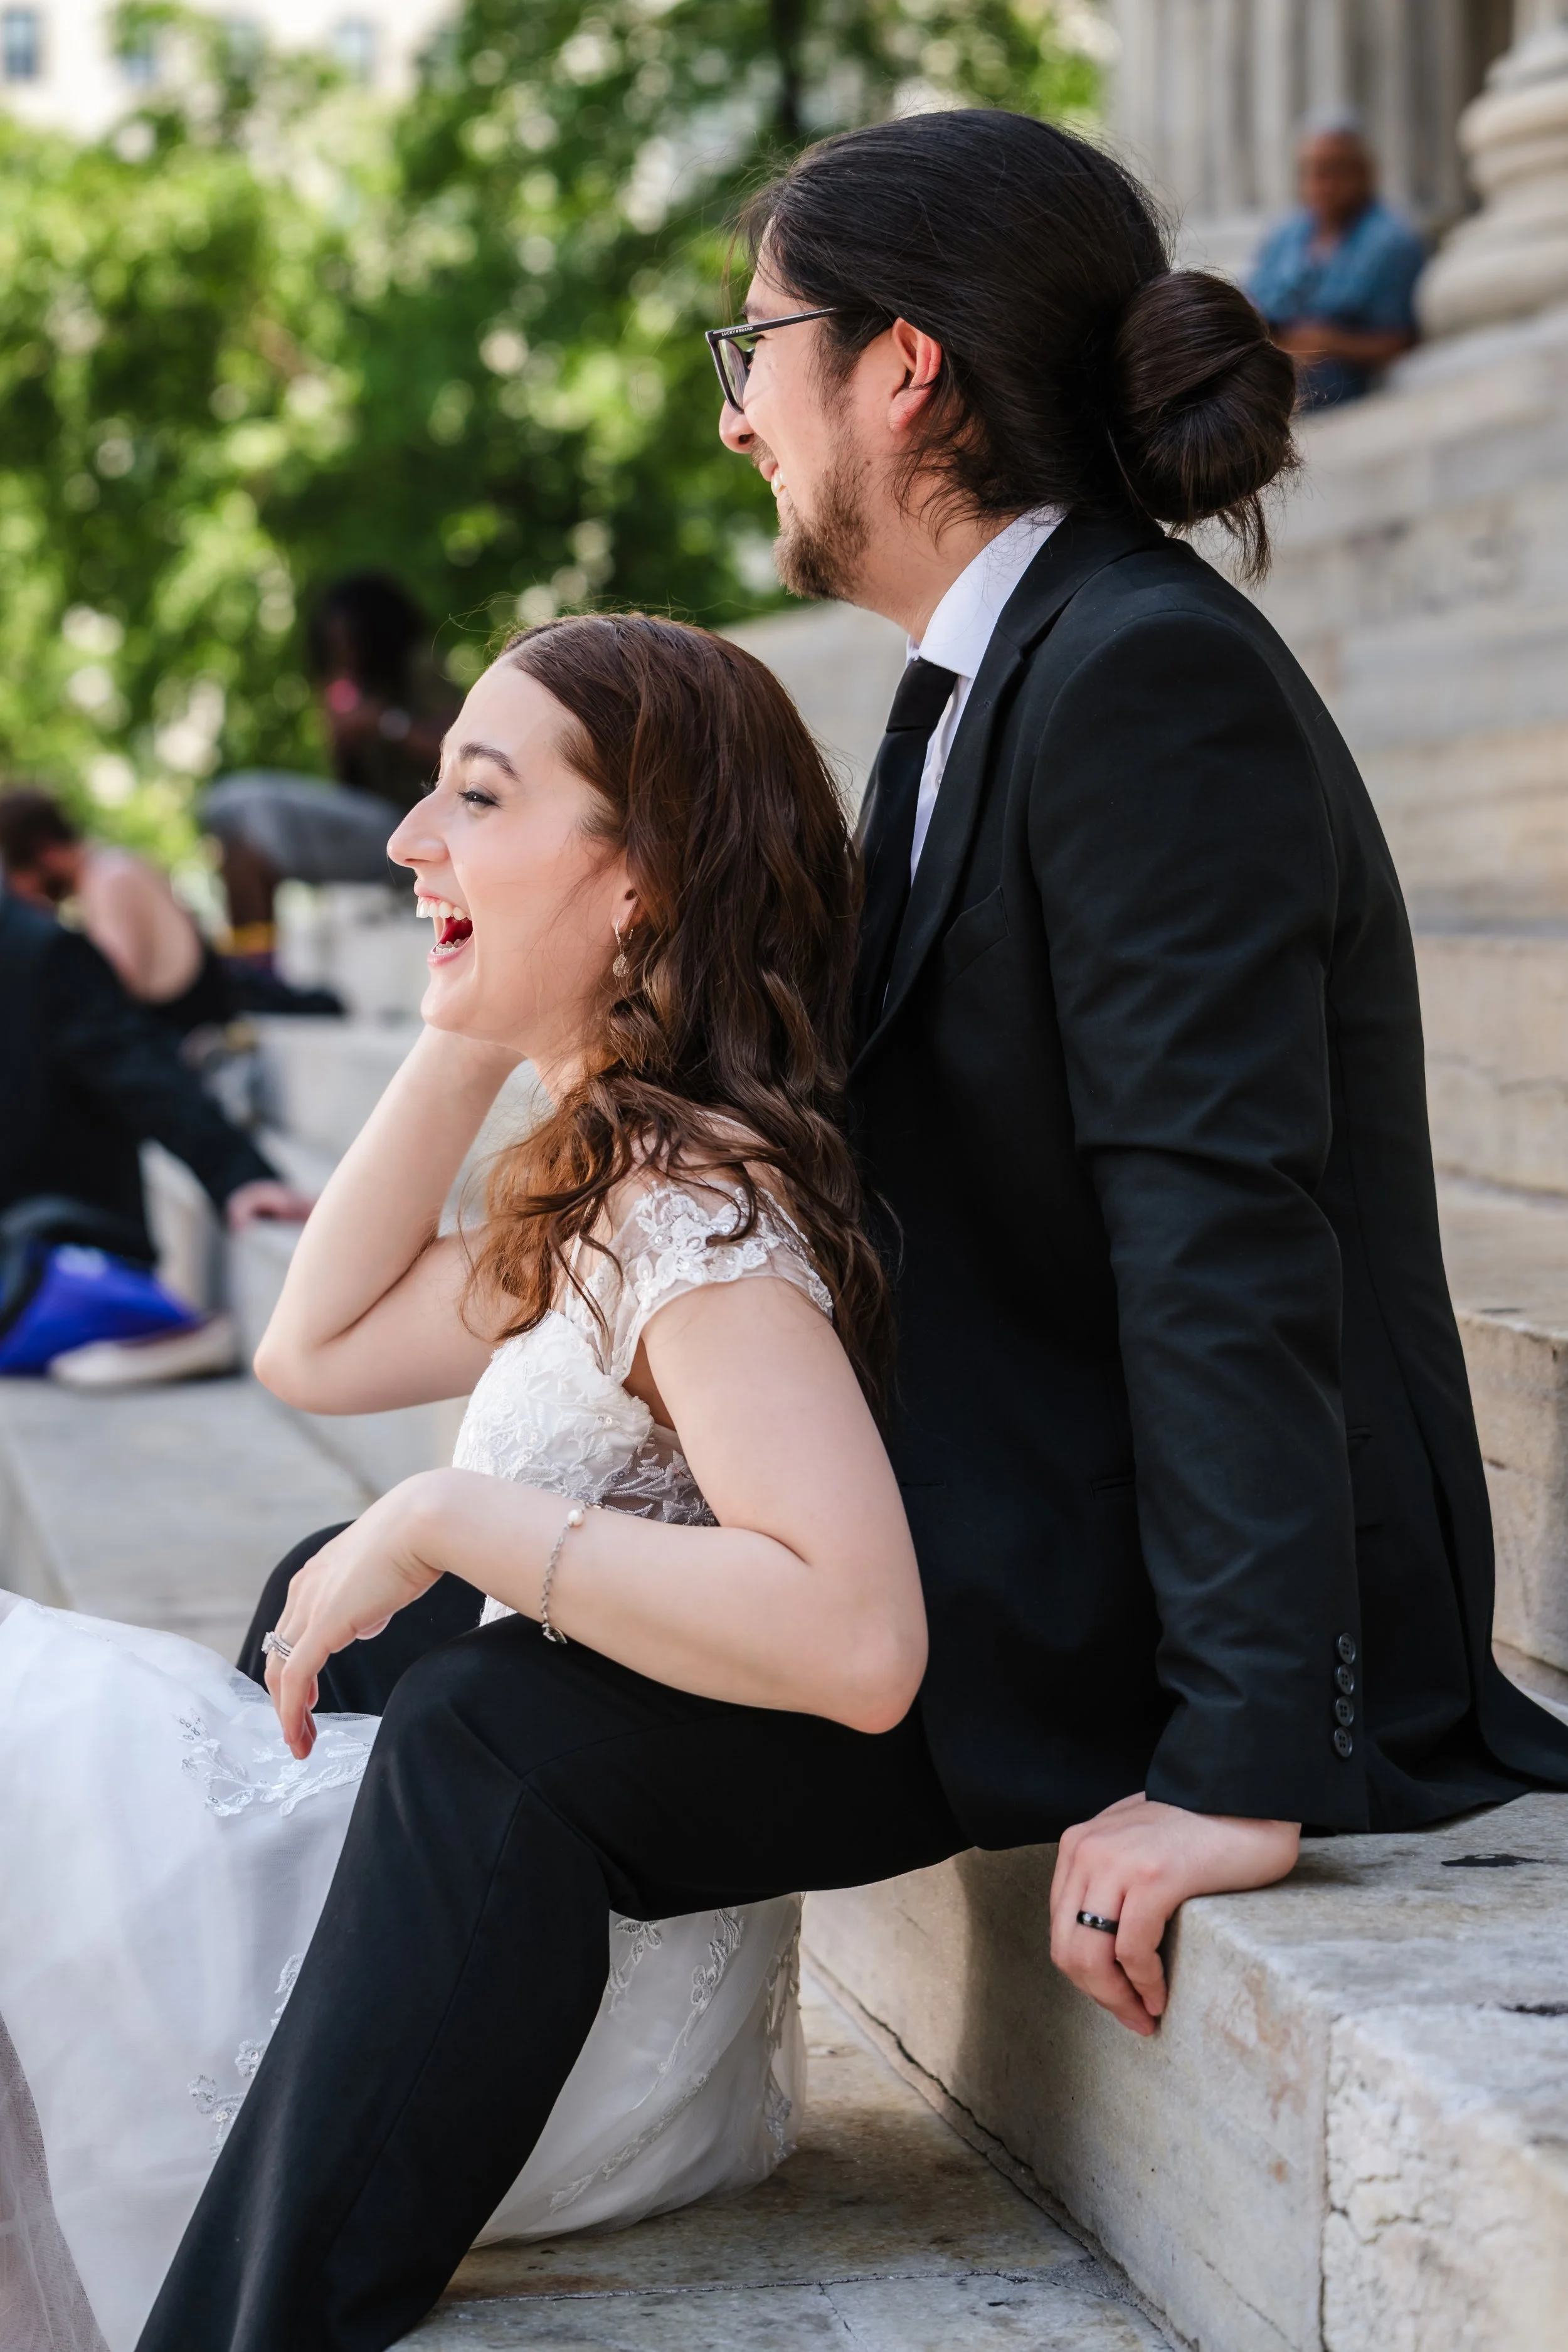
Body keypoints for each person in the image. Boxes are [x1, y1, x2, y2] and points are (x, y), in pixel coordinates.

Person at [20, 105, 1568, 2352]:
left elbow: (1224, 1230)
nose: (736, 410)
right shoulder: (980, 685)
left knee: (497, 1731)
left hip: (1118, 1597)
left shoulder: (1141, 675)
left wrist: (1242, 1760)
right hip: (1015, 1519)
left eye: (753, 348)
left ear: (902, 366)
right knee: (370, 1633)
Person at [0, 615, 930, 2349]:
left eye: (477, 799)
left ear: (639, 876)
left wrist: (442, 1513)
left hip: (574, 2007)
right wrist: (478, 1013)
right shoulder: (605, 1172)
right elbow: (316, 1345)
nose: (409, 839)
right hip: (477, 1911)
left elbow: (860, 1636)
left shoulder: (690, 1218)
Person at [203, 572, 458, 964]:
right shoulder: (347, 689)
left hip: (420, 832)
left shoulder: (419, 667)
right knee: (242, 842)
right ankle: (256, 977)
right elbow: (350, 791)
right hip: (377, 834)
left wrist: (382, 724)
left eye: (349, 641)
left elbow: (458, 749)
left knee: (238, 804)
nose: (342, 654)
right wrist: (340, 741)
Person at [0, 786, 344, 1031]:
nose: (22, 893)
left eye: (18, 876)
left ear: (44, 852)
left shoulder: (108, 881)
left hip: (231, 1008)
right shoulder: (106, 874)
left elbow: (112, 990)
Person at [1247, 110, 1426, 408]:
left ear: (1364, 173)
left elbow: (1405, 340)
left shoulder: (1391, 242)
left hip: (1349, 399)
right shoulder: (1286, 236)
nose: (1322, 184)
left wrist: (1332, 344)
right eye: (1311, 172)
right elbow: (1254, 305)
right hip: (1274, 387)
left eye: (1334, 171)